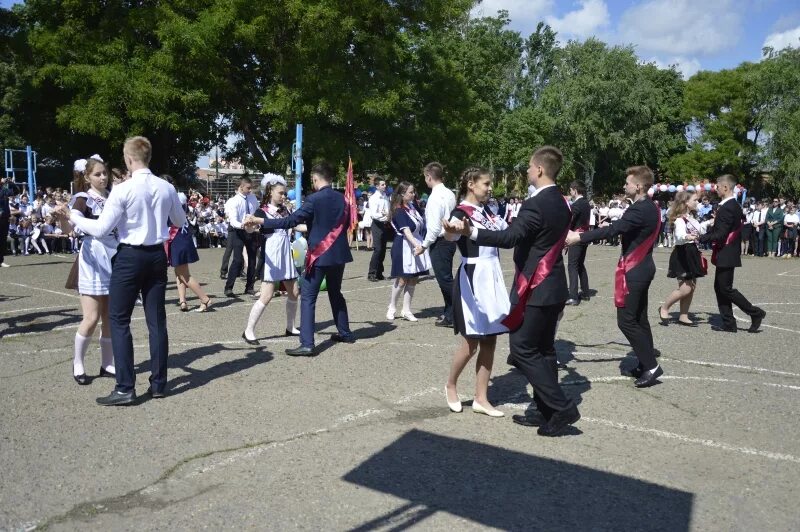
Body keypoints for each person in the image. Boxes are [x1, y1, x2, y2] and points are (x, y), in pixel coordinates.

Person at [446, 146, 580, 437]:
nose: (527, 171)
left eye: (530, 167)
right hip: (552, 284)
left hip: (537, 286)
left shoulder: (536, 203)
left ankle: (559, 407)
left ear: (540, 170)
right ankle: (544, 411)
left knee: (521, 349)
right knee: (543, 350)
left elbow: (510, 237)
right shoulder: (562, 201)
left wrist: (473, 233)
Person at [56, 136, 185, 405]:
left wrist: (76, 218)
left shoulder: (123, 189)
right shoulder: (166, 187)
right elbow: (179, 221)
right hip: (156, 256)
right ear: (148, 157)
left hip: (129, 256)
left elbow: (101, 228)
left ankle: (126, 387)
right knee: (156, 321)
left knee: (118, 320)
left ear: (128, 158)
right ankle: (159, 383)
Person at [567, 166, 663, 388]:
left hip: (636, 269)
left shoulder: (640, 209)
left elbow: (613, 230)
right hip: (643, 267)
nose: (624, 186)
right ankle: (644, 361)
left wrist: (579, 238)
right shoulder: (648, 206)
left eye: (628, 183)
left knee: (626, 321)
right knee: (639, 318)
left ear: (638, 186)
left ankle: (650, 365)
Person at [245, 162, 354, 356]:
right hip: (338, 255)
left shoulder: (313, 199)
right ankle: (345, 332)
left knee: (308, 297)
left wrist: (260, 220)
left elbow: (290, 221)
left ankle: (307, 344)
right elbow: (345, 223)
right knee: (336, 293)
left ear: (315, 179)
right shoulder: (343, 199)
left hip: (320, 256)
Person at [444, 167, 510, 417]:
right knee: (471, 341)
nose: (490, 188)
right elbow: (450, 235)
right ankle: (451, 384)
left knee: (490, 339)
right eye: (486, 183)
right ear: (471, 184)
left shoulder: (488, 211)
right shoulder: (460, 212)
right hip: (473, 277)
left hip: (492, 276)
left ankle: (481, 398)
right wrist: (451, 230)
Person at [65, 157, 117, 384]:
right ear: (87, 177)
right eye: (98, 174)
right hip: (92, 258)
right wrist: (64, 219)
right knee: (91, 317)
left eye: (105, 173)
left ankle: (107, 364)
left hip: (114, 256)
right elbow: (69, 226)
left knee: (109, 317)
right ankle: (78, 363)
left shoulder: (113, 197)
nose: (103, 177)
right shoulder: (82, 199)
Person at [242, 174, 307, 344]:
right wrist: (248, 226)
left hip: (286, 252)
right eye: (281, 193)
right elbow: (251, 229)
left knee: (294, 292)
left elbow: (295, 225)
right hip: (271, 255)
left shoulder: (286, 210)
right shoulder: (261, 211)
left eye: (284, 193)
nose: (283, 196)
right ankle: (248, 330)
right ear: (270, 192)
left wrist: (313, 228)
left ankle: (290, 327)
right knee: (267, 295)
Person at [696, 174, 766, 333]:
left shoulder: (728, 207)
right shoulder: (731, 205)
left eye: (718, 186)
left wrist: (700, 237)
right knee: (720, 287)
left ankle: (755, 313)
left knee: (725, 288)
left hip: (727, 252)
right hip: (727, 251)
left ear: (726, 188)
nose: (716, 188)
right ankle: (729, 323)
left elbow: (721, 234)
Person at [658, 191, 712, 326]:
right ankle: (664, 308)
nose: (697, 202)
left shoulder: (691, 218)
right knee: (685, 288)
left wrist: (711, 221)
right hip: (683, 253)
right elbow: (680, 235)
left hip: (692, 252)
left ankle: (683, 315)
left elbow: (700, 229)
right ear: (686, 203)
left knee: (691, 287)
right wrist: (687, 237)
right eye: (695, 200)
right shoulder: (680, 219)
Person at [415, 162, 457, 327]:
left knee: (444, 280)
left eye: (425, 177)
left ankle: (456, 313)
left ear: (429, 177)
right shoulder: (449, 194)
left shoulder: (434, 198)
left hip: (440, 242)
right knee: (446, 277)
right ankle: (449, 313)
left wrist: (424, 245)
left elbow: (433, 228)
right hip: (450, 240)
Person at [386, 181, 431, 322]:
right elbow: (406, 231)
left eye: (413, 192)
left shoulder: (412, 207)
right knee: (402, 279)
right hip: (404, 246)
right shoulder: (398, 210)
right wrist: (418, 245)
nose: (413, 194)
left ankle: (406, 310)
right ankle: (392, 307)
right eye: (410, 192)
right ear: (402, 194)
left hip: (416, 243)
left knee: (414, 278)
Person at [167, 192, 212, 312]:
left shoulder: (171, 200)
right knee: (179, 272)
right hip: (183, 238)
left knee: (183, 274)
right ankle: (183, 301)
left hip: (178, 239)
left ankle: (205, 299)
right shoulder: (178, 200)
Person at [223, 177, 259, 297]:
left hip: (251, 230)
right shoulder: (234, 201)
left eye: (251, 188)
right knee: (237, 259)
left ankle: (249, 287)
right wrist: (243, 225)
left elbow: (256, 213)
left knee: (253, 259)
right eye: (248, 188)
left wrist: (255, 224)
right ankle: (229, 288)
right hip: (237, 231)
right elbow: (233, 220)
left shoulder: (253, 199)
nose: (250, 190)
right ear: (241, 187)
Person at [565, 180, 591, 305]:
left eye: (570, 190)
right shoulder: (586, 203)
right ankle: (585, 292)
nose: (570, 192)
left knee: (572, 265)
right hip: (584, 236)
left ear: (575, 189)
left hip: (576, 236)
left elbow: (569, 219)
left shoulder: (577, 204)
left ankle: (573, 296)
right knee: (580, 264)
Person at [367, 180, 390, 281]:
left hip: (384, 224)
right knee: (378, 249)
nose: (384, 186)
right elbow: (374, 214)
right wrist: (385, 216)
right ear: (377, 186)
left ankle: (379, 272)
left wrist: (388, 215)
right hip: (377, 224)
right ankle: (371, 273)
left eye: (385, 184)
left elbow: (388, 210)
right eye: (382, 184)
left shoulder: (385, 196)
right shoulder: (374, 198)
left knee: (383, 250)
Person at [0, 176, 20, 267]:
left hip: (4, 217)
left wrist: (11, 183)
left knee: (2, 240)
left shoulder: (4, 189)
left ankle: (0, 261)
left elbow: (16, 192)